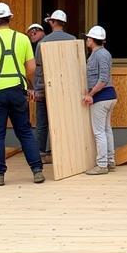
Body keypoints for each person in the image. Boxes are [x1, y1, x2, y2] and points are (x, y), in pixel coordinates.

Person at [0, 1, 45, 186]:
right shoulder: (22, 39)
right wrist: (29, 87)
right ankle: (37, 170)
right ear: (10, 18)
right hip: (17, 91)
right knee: (25, 132)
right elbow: (31, 68)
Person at [33, 9, 76, 164]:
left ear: (52, 22)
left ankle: (40, 155)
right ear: (63, 23)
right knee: (63, 121)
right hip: (65, 91)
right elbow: (76, 67)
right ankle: (61, 153)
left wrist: (37, 89)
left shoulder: (43, 42)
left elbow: (39, 68)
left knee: (42, 123)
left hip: (45, 89)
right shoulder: (72, 40)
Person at [81, 25, 118, 175]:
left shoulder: (100, 55)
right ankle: (110, 161)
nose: (86, 40)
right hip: (108, 96)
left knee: (99, 132)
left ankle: (102, 165)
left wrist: (91, 94)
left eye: (88, 38)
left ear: (92, 40)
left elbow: (103, 79)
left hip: (102, 97)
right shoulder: (101, 53)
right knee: (106, 129)